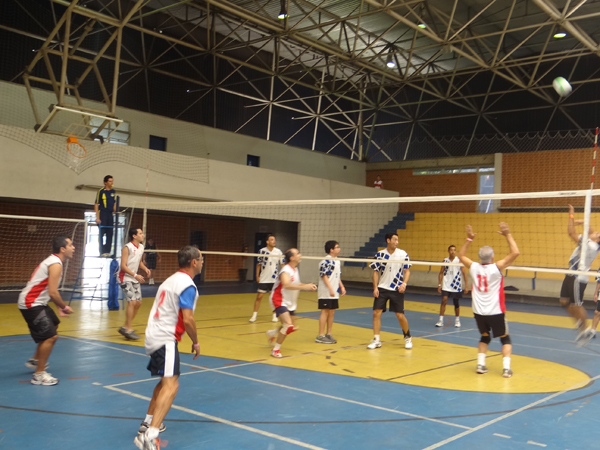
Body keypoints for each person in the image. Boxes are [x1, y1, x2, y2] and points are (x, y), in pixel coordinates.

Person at [134, 246, 203, 450]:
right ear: (194, 262)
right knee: (172, 385)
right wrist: (196, 341)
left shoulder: (170, 280)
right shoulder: (187, 285)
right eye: (201, 258)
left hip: (153, 334)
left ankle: (147, 423)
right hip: (165, 337)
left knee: (164, 382)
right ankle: (150, 436)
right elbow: (188, 319)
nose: (202, 261)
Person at [457, 222, 520, 378]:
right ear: (492, 257)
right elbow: (515, 252)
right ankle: (506, 369)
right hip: (496, 311)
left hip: (479, 312)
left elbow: (461, 256)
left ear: (480, 257)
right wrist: (507, 234)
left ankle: (480, 365)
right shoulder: (496, 268)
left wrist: (469, 239)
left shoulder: (473, 267)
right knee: (505, 338)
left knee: (485, 336)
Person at [17, 235, 75, 386]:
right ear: (62, 249)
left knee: (54, 324)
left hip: (38, 302)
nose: (73, 248)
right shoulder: (55, 264)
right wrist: (64, 307)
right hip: (31, 303)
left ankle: (36, 360)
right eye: (70, 245)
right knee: (51, 336)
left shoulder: (54, 261)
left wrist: (59, 308)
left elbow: (50, 289)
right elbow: (53, 293)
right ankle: (39, 375)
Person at [559, 204, 600, 346]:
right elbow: (592, 231)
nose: (594, 231)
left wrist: (571, 215)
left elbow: (571, 233)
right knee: (564, 301)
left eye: (596, 233)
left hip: (578, 277)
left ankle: (586, 329)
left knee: (576, 305)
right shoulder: (593, 242)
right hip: (571, 273)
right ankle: (580, 323)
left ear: (596, 239)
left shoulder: (590, 245)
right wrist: (583, 222)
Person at [266, 248, 317, 358]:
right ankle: (275, 350)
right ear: (292, 258)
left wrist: (307, 285)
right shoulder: (285, 270)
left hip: (289, 301)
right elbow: (286, 285)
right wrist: (305, 288)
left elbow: (297, 283)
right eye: (298, 253)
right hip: (279, 299)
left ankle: (272, 333)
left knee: (293, 327)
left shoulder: (295, 269)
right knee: (288, 325)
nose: (300, 254)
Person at [367, 232, 413, 350]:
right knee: (376, 313)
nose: (397, 242)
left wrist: (404, 284)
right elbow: (375, 272)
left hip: (397, 288)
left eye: (397, 240)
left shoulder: (402, 254)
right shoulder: (380, 255)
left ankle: (407, 337)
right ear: (388, 240)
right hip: (382, 288)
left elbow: (407, 271)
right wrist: (375, 287)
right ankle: (377, 340)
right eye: (395, 240)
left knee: (400, 315)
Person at [118, 228, 151, 340]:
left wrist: (145, 269)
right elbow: (123, 266)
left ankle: (125, 326)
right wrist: (135, 275)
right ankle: (129, 329)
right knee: (132, 302)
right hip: (124, 277)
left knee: (138, 303)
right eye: (140, 233)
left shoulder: (141, 247)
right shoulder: (127, 247)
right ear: (134, 236)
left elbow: (139, 262)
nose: (143, 235)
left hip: (134, 277)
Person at [316, 240, 346, 344]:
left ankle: (328, 334)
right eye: (337, 247)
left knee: (332, 312)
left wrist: (342, 287)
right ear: (331, 249)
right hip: (326, 291)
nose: (339, 249)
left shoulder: (337, 261)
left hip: (334, 292)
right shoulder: (325, 261)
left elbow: (337, 276)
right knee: (325, 311)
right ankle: (320, 335)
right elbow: (324, 276)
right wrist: (330, 289)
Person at [249, 234, 282, 323]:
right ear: (267, 242)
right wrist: (257, 275)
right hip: (264, 278)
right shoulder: (262, 251)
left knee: (273, 298)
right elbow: (258, 264)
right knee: (259, 297)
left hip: (274, 279)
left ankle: (274, 316)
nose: (274, 241)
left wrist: (284, 275)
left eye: (274, 239)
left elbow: (282, 264)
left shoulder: (278, 252)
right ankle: (254, 316)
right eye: (272, 239)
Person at [436, 245, 469, 328]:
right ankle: (440, 320)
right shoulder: (445, 261)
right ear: (448, 251)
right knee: (444, 300)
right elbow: (441, 273)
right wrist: (439, 284)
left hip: (456, 285)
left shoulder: (459, 261)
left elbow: (464, 273)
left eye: (454, 250)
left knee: (456, 302)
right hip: (446, 284)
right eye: (451, 250)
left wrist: (466, 286)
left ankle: (457, 320)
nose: (453, 251)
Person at [94, 175, 117, 257]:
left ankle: (108, 251)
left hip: (110, 214)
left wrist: (115, 210)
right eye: (110, 181)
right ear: (105, 182)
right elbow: (96, 204)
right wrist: (97, 218)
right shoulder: (101, 191)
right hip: (103, 213)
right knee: (102, 233)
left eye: (112, 181)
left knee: (110, 233)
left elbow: (114, 203)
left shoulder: (113, 192)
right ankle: (102, 251)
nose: (111, 183)